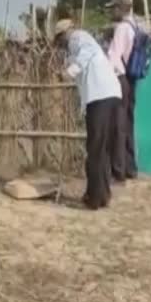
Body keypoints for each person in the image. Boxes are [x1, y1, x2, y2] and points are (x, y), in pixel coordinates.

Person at [53, 19, 122, 210]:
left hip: (101, 96)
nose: (60, 43)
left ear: (66, 32)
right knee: (100, 148)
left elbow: (86, 54)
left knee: (95, 148)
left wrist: (69, 72)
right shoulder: (75, 46)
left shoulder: (78, 37)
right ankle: (100, 195)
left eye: (60, 38)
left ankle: (94, 198)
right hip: (106, 95)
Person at [105, 0, 138, 182]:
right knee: (129, 124)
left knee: (118, 125)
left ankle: (118, 171)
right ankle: (130, 167)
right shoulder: (135, 26)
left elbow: (114, 57)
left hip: (121, 78)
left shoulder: (122, 29)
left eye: (113, 8)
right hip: (133, 80)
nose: (111, 11)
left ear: (120, 8)